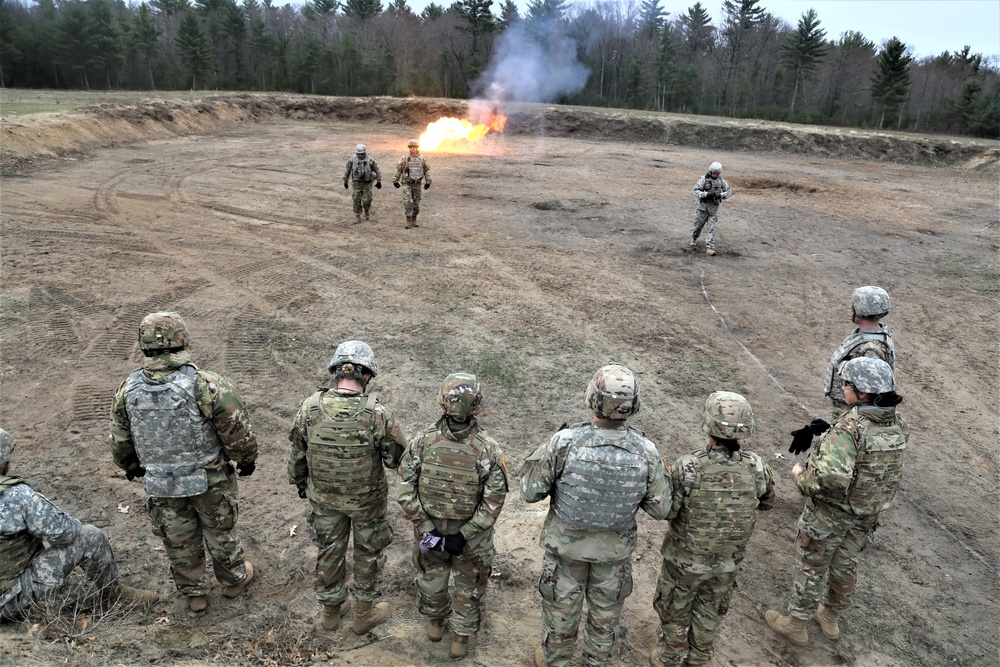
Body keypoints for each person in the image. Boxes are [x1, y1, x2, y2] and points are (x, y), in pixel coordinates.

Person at [520, 364, 672, 667]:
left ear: (593, 398)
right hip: (613, 556)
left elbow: (529, 491)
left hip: (566, 552)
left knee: (561, 612)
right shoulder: (646, 451)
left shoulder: (565, 442)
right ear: (634, 404)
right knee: (605, 620)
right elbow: (661, 508)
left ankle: (556, 660)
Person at [108, 311, 258, 613]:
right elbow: (236, 430)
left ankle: (195, 594)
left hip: (161, 483)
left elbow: (120, 439)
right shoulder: (207, 384)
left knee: (178, 537)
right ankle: (233, 581)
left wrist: (131, 466)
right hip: (209, 478)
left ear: (143, 345)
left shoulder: (128, 390)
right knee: (220, 530)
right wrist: (245, 460)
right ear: (182, 339)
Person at [765, 358, 907, 647]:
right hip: (867, 513)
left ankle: (796, 624)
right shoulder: (896, 422)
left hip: (831, 514)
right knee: (846, 563)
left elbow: (830, 480)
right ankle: (829, 617)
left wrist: (800, 476)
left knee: (812, 564)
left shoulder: (850, 429)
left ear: (863, 392)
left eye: (847, 384)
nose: (842, 388)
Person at [288, 340, 408, 634]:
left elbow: (297, 457)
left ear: (335, 373)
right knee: (368, 553)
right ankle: (363, 614)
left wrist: (303, 485)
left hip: (325, 500)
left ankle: (331, 611)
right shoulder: (378, 414)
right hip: (367, 503)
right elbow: (395, 459)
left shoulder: (310, 408)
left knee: (329, 551)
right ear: (366, 376)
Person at [650, 392, 776, 667]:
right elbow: (768, 502)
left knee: (676, 608)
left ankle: (670, 657)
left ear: (709, 425)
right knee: (709, 610)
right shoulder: (755, 466)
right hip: (727, 562)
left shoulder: (689, 467)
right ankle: (699, 658)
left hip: (684, 561)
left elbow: (670, 512)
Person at [397, 372, 508, 659]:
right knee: (469, 585)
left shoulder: (422, 442)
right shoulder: (489, 449)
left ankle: (435, 624)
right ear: (477, 405)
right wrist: (465, 534)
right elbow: (493, 502)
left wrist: (426, 526)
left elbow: (405, 489)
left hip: (429, 531)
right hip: (472, 539)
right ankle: (460, 637)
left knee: (431, 576)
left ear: (443, 403)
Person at [2, 428, 157, 623]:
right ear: (4, 462)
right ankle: (113, 596)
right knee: (88, 536)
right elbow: (67, 533)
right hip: (6, 603)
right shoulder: (18, 496)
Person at [821, 286, 895, 420]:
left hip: (853, 412)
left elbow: (869, 390)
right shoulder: (869, 335)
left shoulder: (872, 348)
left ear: (861, 310)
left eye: (854, 307)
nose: (851, 310)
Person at [690, 161, 732, 256]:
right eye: (714, 173)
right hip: (702, 208)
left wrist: (720, 195)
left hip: (714, 208)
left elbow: (729, 191)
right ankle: (694, 238)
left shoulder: (721, 180)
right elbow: (695, 190)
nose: (715, 175)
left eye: (717, 173)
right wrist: (706, 194)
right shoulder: (703, 179)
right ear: (710, 171)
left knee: (711, 228)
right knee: (698, 226)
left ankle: (710, 247)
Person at [391, 139, 432, 229]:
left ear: (417, 148)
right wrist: (395, 180)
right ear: (409, 148)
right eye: (411, 147)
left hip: (417, 184)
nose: (412, 149)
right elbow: (398, 169)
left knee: (416, 202)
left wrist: (428, 181)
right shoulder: (404, 158)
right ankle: (408, 220)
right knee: (408, 201)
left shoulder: (422, 158)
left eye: (414, 147)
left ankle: (414, 219)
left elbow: (426, 170)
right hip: (407, 183)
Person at [343, 143, 382, 224]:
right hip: (356, 183)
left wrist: (379, 181)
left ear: (365, 152)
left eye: (362, 154)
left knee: (367, 200)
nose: (360, 156)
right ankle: (358, 217)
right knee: (356, 200)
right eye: (358, 154)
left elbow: (377, 170)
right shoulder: (352, 160)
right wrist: (345, 181)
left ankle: (367, 212)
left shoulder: (370, 160)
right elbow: (347, 170)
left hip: (367, 184)